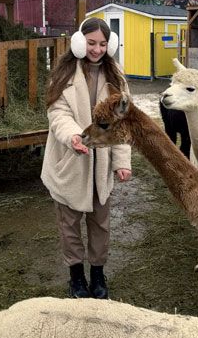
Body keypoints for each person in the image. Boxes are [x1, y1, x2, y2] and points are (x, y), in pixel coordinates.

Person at [41, 17, 133, 299]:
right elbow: (58, 113)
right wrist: (74, 136)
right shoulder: (64, 75)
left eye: (103, 44)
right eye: (91, 43)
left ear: (110, 45)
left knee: (100, 224)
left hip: (101, 166)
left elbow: (122, 123)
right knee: (69, 225)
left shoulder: (116, 77)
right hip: (70, 161)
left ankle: (98, 274)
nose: (97, 49)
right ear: (79, 42)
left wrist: (121, 162)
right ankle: (76, 276)